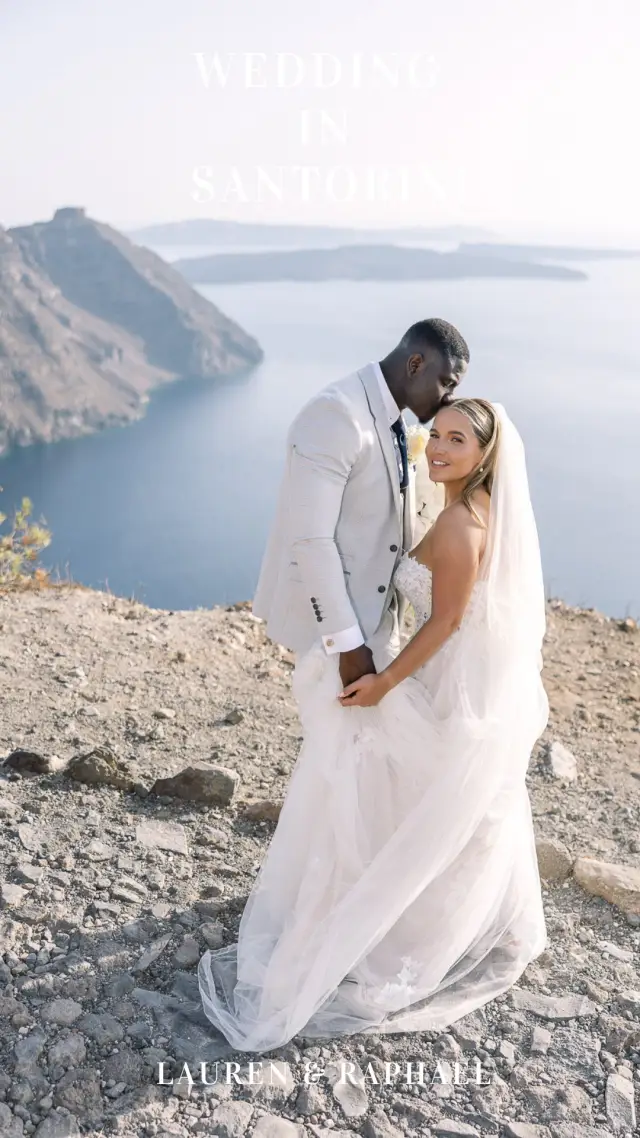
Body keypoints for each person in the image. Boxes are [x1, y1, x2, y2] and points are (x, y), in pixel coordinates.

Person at [198, 350, 549, 1054]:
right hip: (457, 681)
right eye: (437, 432)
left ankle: (377, 924)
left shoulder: (458, 526)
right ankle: (427, 917)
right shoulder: (475, 510)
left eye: (457, 438)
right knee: (443, 806)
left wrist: (386, 682)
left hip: (444, 685)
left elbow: (447, 620)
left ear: (485, 455)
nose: (439, 446)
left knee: (392, 788)